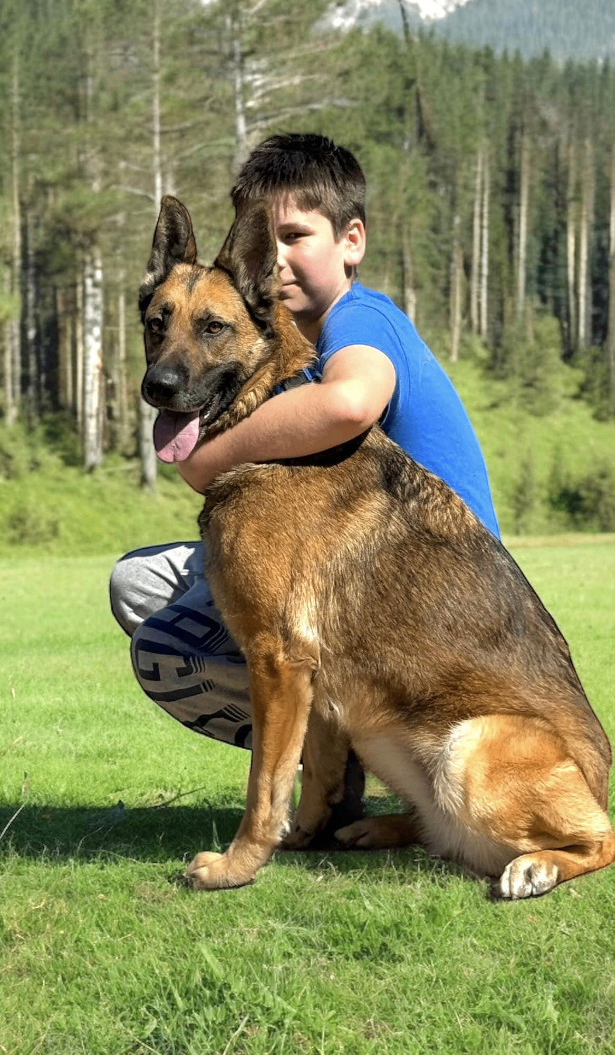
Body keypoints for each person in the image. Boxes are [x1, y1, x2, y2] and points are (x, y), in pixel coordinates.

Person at [110, 133, 500, 824]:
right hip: (347, 580)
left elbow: (350, 402)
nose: (277, 258)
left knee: (181, 645)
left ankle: (341, 762)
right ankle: (334, 766)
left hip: (438, 604)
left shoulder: (362, 320)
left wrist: (208, 459)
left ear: (352, 240)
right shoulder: (289, 345)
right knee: (140, 583)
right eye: (264, 240)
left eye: (293, 235)